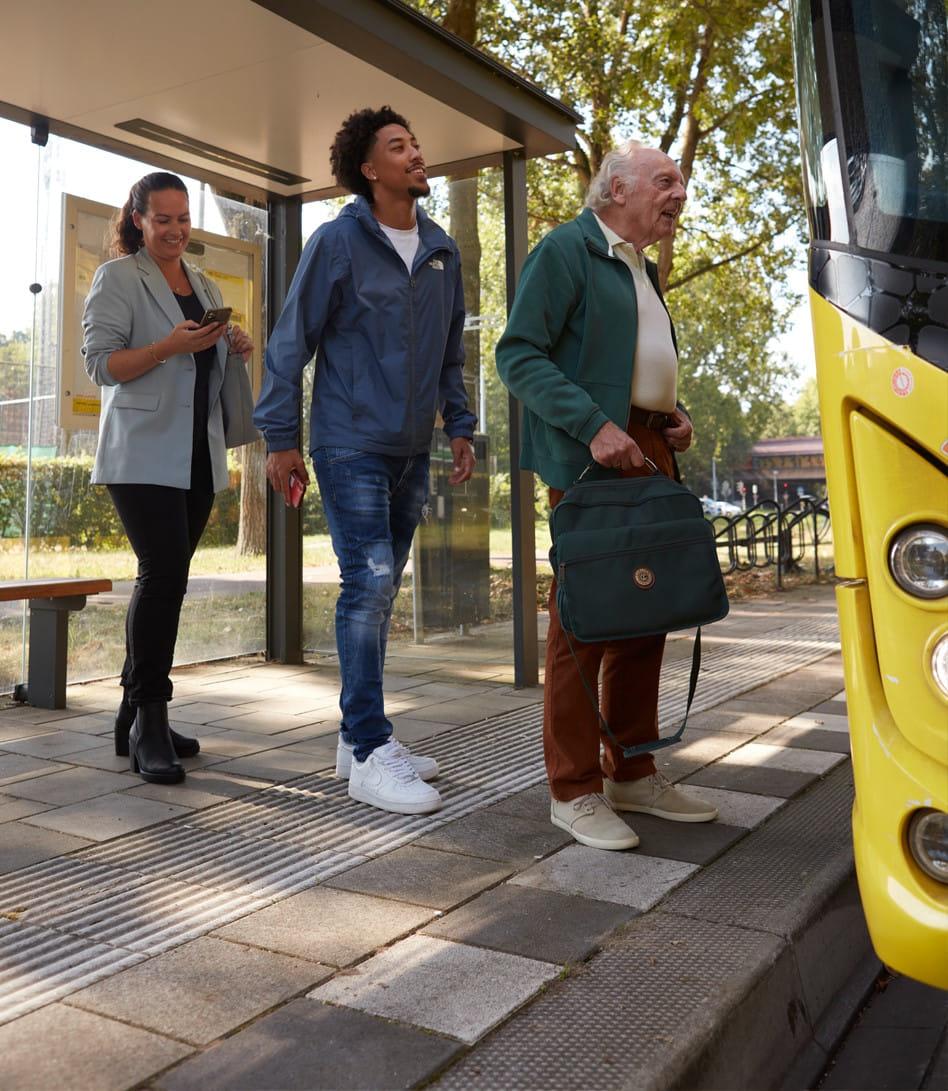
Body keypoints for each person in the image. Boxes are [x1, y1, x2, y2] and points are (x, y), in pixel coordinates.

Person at [496, 141, 718, 851]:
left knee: (646, 610)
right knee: (585, 618)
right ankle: (574, 786)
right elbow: (518, 354)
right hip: (591, 456)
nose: (678, 192)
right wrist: (595, 426)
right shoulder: (566, 250)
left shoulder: (642, 268)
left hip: (647, 449)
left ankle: (633, 770)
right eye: (665, 180)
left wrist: (671, 418)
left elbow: (638, 365)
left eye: (680, 182)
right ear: (616, 188)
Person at [253, 106, 476, 816]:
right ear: (369, 169)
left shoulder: (441, 249)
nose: (416, 155)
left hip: (413, 446)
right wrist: (279, 437)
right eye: (398, 147)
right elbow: (291, 340)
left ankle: (358, 737)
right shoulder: (337, 242)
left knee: (382, 592)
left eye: (416, 144)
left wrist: (461, 425)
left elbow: (450, 351)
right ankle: (372, 749)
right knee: (370, 579)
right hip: (347, 440)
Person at [82, 172, 254, 785]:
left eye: (183, 219)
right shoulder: (118, 277)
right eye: (163, 220)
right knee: (162, 575)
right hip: (140, 453)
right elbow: (102, 365)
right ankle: (149, 719)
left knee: (171, 582)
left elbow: (202, 366)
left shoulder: (202, 281)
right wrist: (167, 348)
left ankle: (133, 711)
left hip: (196, 455)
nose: (176, 230)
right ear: (137, 219)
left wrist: (230, 342)